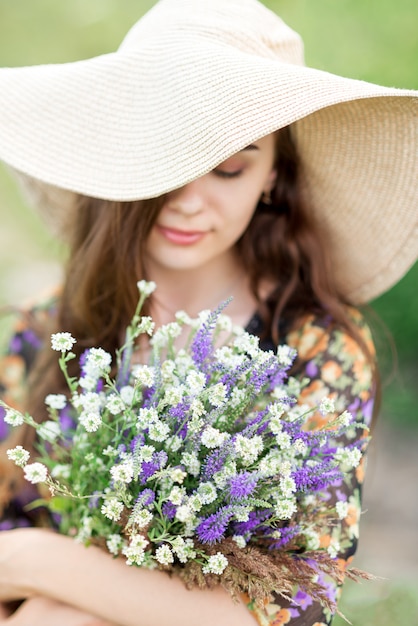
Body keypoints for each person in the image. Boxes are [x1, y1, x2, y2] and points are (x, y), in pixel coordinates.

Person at [0, 0, 416, 624]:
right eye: (171, 158)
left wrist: (34, 562)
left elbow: (289, 605)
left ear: (274, 176)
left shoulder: (313, 346)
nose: (190, 202)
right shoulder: (45, 329)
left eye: (228, 167)